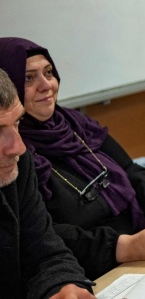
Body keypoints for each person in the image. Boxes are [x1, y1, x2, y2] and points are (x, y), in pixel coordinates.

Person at [0, 38, 145, 281]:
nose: (46, 85)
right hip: (94, 269)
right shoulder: (13, 155)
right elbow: (44, 236)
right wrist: (126, 246)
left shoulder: (76, 124)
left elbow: (131, 172)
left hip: (143, 245)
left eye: (49, 72)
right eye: (29, 78)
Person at [1, 68, 96, 299]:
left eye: (18, 122)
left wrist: (63, 286)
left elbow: (46, 253)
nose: (19, 147)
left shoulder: (18, 167)